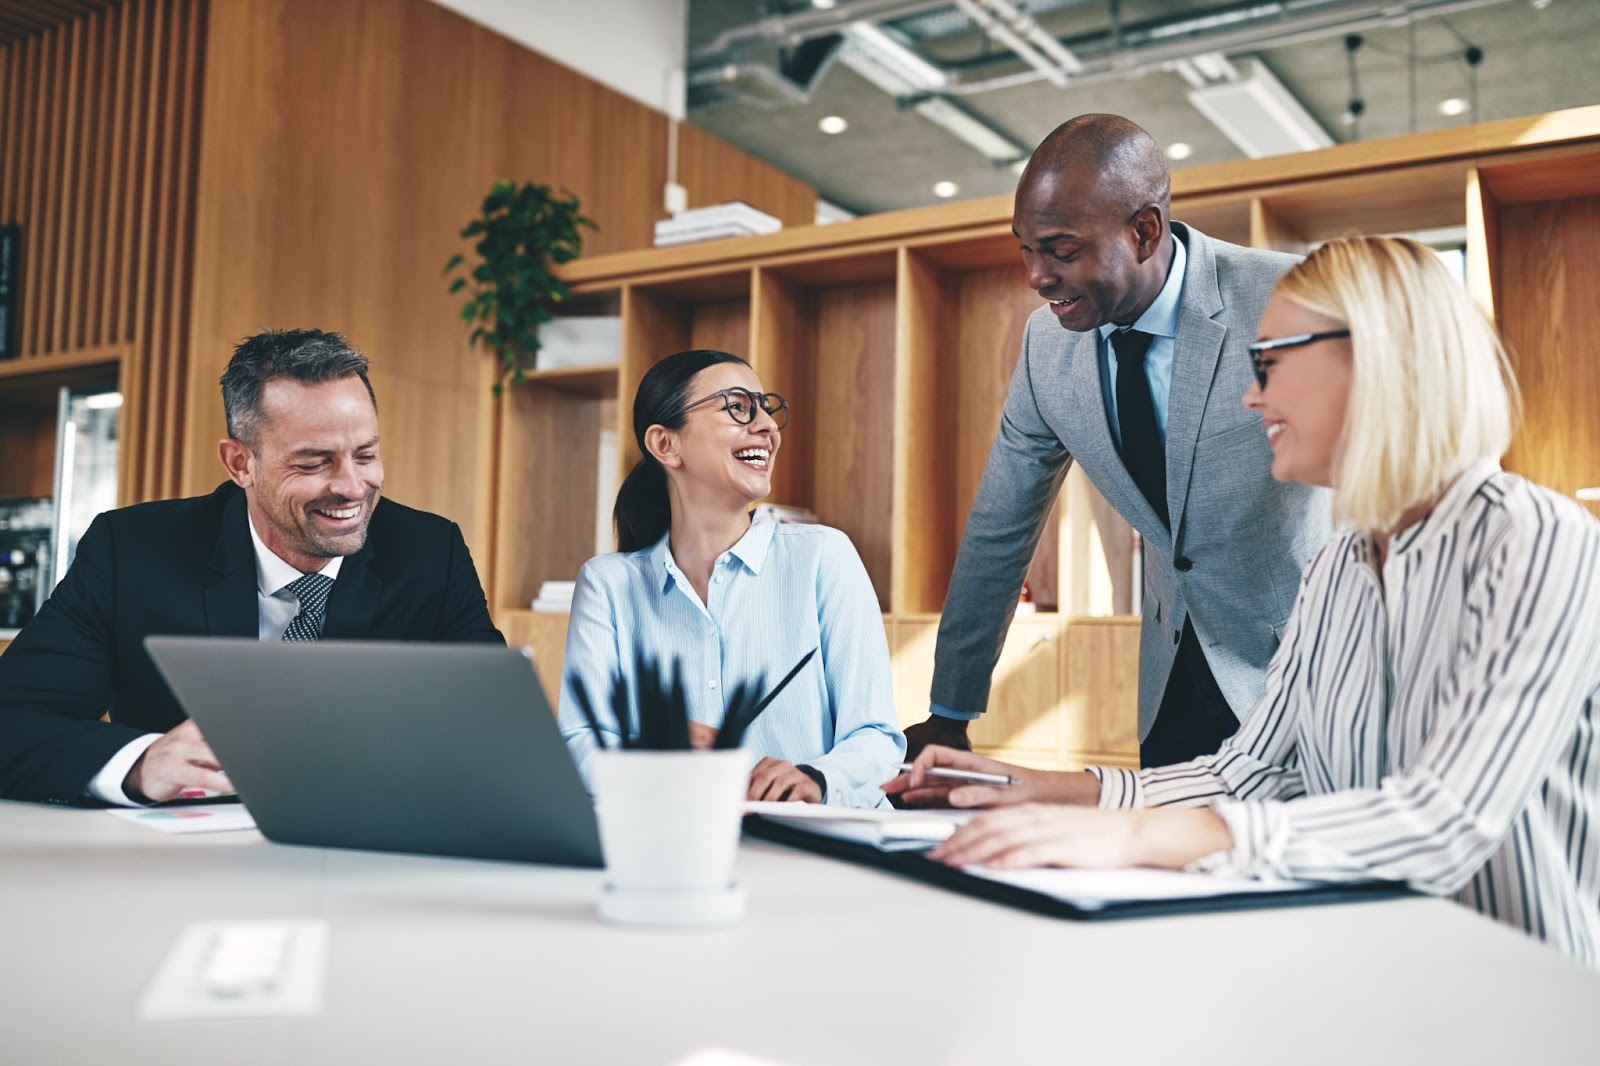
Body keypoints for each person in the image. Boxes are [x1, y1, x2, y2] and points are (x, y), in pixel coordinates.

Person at [888, 236, 1600, 969]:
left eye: (1271, 362)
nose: (1251, 395)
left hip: (1528, 991)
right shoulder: (1336, 570)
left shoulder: (1539, 543)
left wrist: (1140, 835)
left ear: (1377, 356)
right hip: (1379, 973)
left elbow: (1445, 819)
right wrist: (1044, 789)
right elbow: (1248, 772)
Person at [905, 114, 1332, 767]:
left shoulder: (1290, 296)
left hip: (1312, 672)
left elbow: (1388, 472)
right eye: (1025, 248)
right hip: (1172, 687)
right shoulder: (1045, 347)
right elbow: (1000, 527)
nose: (1036, 276)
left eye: (1062, 249)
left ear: (1143, 231)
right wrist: (950, 711)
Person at [0, 329, 504, 806]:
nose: (352, 487)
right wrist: (141, 765)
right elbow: (13, 721)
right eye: (313, 463)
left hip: (368, 851)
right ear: (240, 463)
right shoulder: (131, 550)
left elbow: (495, 732)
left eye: (365, 455)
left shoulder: (431, 552)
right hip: (180, 864)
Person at [558, 349, 905, 807]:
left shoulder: (823, 556)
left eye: (767, 408)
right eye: (738, 407)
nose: (766, 426)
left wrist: (815, 778)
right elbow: (581, 741)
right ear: (665, 444)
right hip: (678, 837)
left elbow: (876, 737)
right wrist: (655, 758)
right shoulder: (608, 584)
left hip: (816, 842)